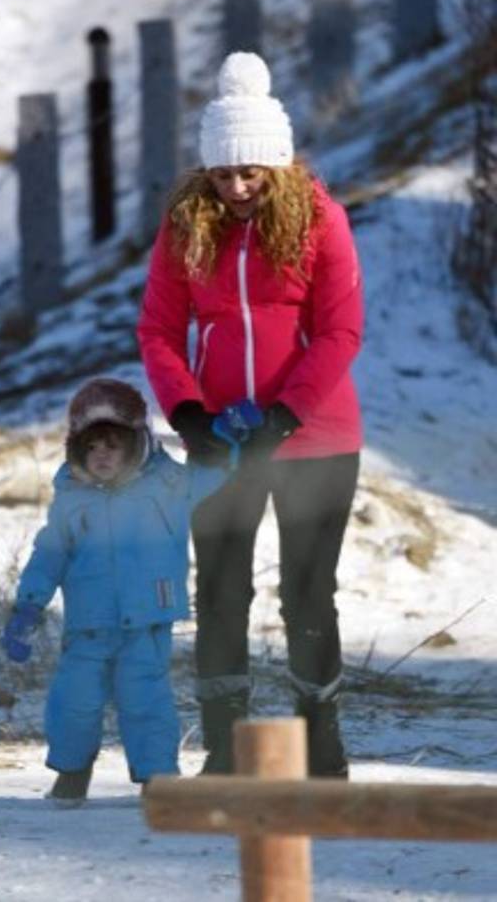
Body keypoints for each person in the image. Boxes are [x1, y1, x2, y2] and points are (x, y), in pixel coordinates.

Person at [137, 52, 363, 778]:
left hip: (315, 440)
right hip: (221, 444)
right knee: (222, 588)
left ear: (277, 165)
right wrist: (188, 411)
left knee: (307, 589)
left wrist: (287, 414)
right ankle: (226, 747)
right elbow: (158, 331)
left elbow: (340, 330)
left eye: (250, 173)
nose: (235, 188)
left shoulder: (321, 221)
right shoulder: (186, 229)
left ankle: (319, 738)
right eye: (222, 173)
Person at [1, 377, 226, 805]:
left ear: (136, 443)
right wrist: (28, 606)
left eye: (112, 445)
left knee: (146, 704)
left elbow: (214, 477)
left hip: (146, 622)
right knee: (73, 702)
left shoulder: (168, 484)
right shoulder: (71, 498)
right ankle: (71, 774)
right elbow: (49, 555)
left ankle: (158, 782)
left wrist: (226, 445)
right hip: (89, 625)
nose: (101, 455)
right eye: (91, 447)